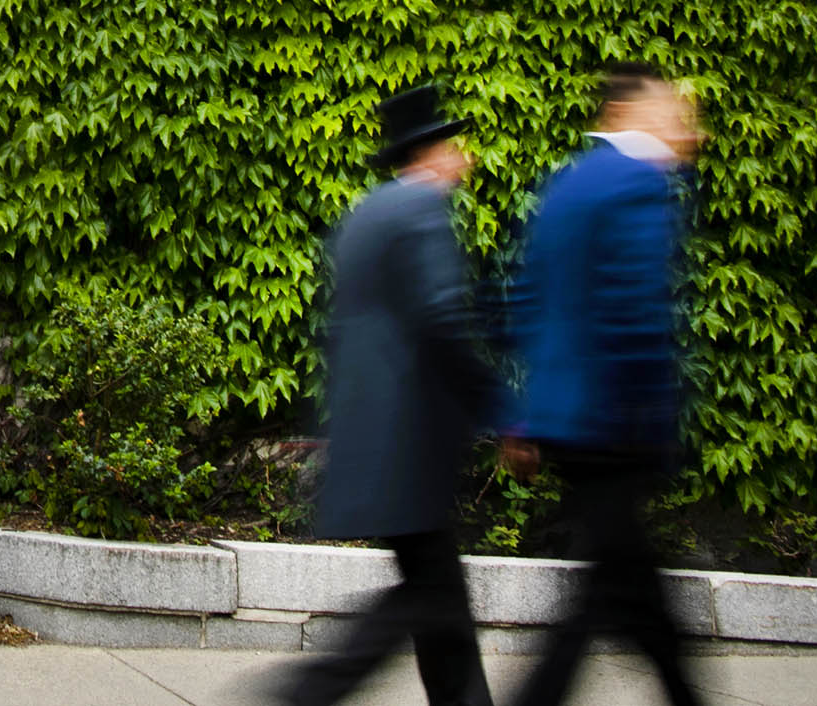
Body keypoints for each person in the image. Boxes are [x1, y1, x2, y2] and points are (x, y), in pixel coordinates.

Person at [280, 82, 500, 706]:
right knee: (426, 592)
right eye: (454, 145)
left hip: (377, 433)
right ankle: (304, 694)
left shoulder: (367, 213)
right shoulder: (422, 212)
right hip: (412, 438)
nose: (464, 159)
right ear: (429, 153)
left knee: (436, 591)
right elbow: (442, 322)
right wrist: (501, 408)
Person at [501, 63, 707, 706]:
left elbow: (528, 302)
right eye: (670, 111)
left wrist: (524, 415)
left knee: (618, 588)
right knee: (616, 590)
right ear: (626, 113)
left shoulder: (564, 184)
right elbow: (635, 311)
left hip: (569, 417)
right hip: (615, 418)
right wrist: (656, 421)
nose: (682, 125)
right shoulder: (638, 184)